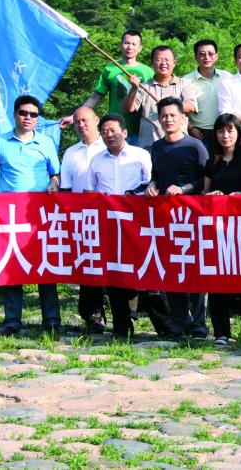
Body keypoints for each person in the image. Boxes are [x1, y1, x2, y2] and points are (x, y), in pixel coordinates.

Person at [0, 95, 61, 337]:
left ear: (38, 118)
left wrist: (54, 183)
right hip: (10, 213)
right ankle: (12, 320)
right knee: (12, 264)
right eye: (24, 113)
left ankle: (52, 320)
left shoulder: (46, 142)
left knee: (45, 265)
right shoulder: (0, 142)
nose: (28, 118)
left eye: (33, 114)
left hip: (39, 213)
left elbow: (55, 174)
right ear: (15, 114)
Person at [145, 97, 209, 339]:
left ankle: (199, 324)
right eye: (164, 116)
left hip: (192, 218)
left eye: (173, 115)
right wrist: (152, 185)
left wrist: (183, 189)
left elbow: (205, 180)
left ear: (183, 118)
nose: (168, 119)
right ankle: (180, 321)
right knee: (172, 269)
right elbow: (156, 176)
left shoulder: (195, 146)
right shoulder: (157, 147)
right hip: (166, 219)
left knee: (196, 271)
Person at [84, 113, 152, 338]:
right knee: (114, 274)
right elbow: (90, 191)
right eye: (104, 131)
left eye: (113, 130)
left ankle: (161, 323)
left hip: (137, 223)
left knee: (141, 271)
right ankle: (121, 326)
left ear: (124, 132)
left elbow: (151, 184)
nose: (109, 135)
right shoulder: (97, 160)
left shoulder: (140, 155)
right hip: (109, 226)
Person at [203, 113, 241, 346]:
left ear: (238, 133)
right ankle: (221, 332)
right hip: (218, 228)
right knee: (217, 280)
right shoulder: (212, 161)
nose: (225, 135)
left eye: (230, 130)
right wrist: (212, 196)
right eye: (220, 131)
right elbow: (204, 194)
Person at [59, 106, 107, 334]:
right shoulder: (71, 153)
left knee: (117, 264)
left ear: (96, 120)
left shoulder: (110, 144)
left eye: (85, 120)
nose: (81, 125)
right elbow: (66, 188)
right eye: (77, 122)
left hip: (112, 216)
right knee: (90, 266)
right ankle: (93, 315)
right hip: (83, 218)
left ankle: (126, 313)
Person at [59, 30, 152, 140]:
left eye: (134, 44)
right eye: (127, 43)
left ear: (140, 48)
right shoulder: (109, 69)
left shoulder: (148, 72)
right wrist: (73, 116)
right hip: (116, 130)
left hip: (142, 131)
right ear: (121, 45)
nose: (130, 47)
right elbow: (95, 98)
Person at [124, 46, 198, 150]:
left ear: (174, 63)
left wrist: (167, 106)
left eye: (167, 60)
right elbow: (128, 109)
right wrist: (134, 88)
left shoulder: (184, 84)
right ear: (152, 63)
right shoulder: (143, 87)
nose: (163, 63)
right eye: (158, 60)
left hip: (179, 145)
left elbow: (191, 106)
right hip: (150, 145)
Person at [185, 39, 229, 154]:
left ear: (216, 56)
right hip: (198, 133)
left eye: (210, 53)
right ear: (195, 57)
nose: (207, 57)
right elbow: (179, 110)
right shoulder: (186, 81)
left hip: (224, 131)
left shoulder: (227, 77)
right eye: (202, 54)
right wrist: (190, 128)